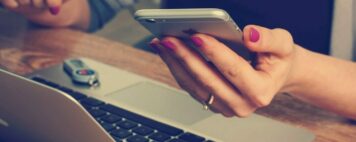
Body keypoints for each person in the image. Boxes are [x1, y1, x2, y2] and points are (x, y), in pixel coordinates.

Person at [1, 0, 355, 119]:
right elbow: (90, 9)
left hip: (310, 116)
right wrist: (49, 5)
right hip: (163, 86)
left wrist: (297, 71)